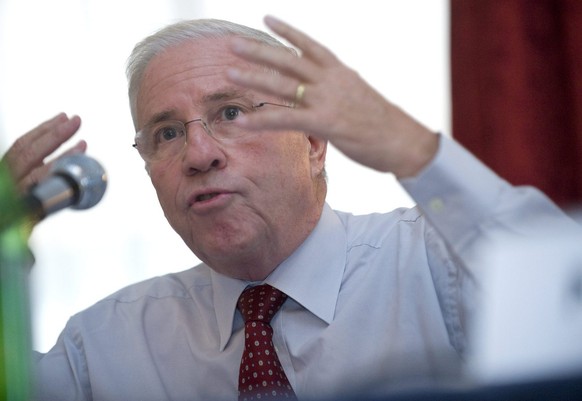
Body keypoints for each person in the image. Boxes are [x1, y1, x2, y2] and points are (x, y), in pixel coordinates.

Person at [2, 16, 580, 401]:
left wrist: (415, 151)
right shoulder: (101, 351)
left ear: (313, 140)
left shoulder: (436, 265)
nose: (198, 154)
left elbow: (564, 306)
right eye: (167, 133)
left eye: (230, 113)